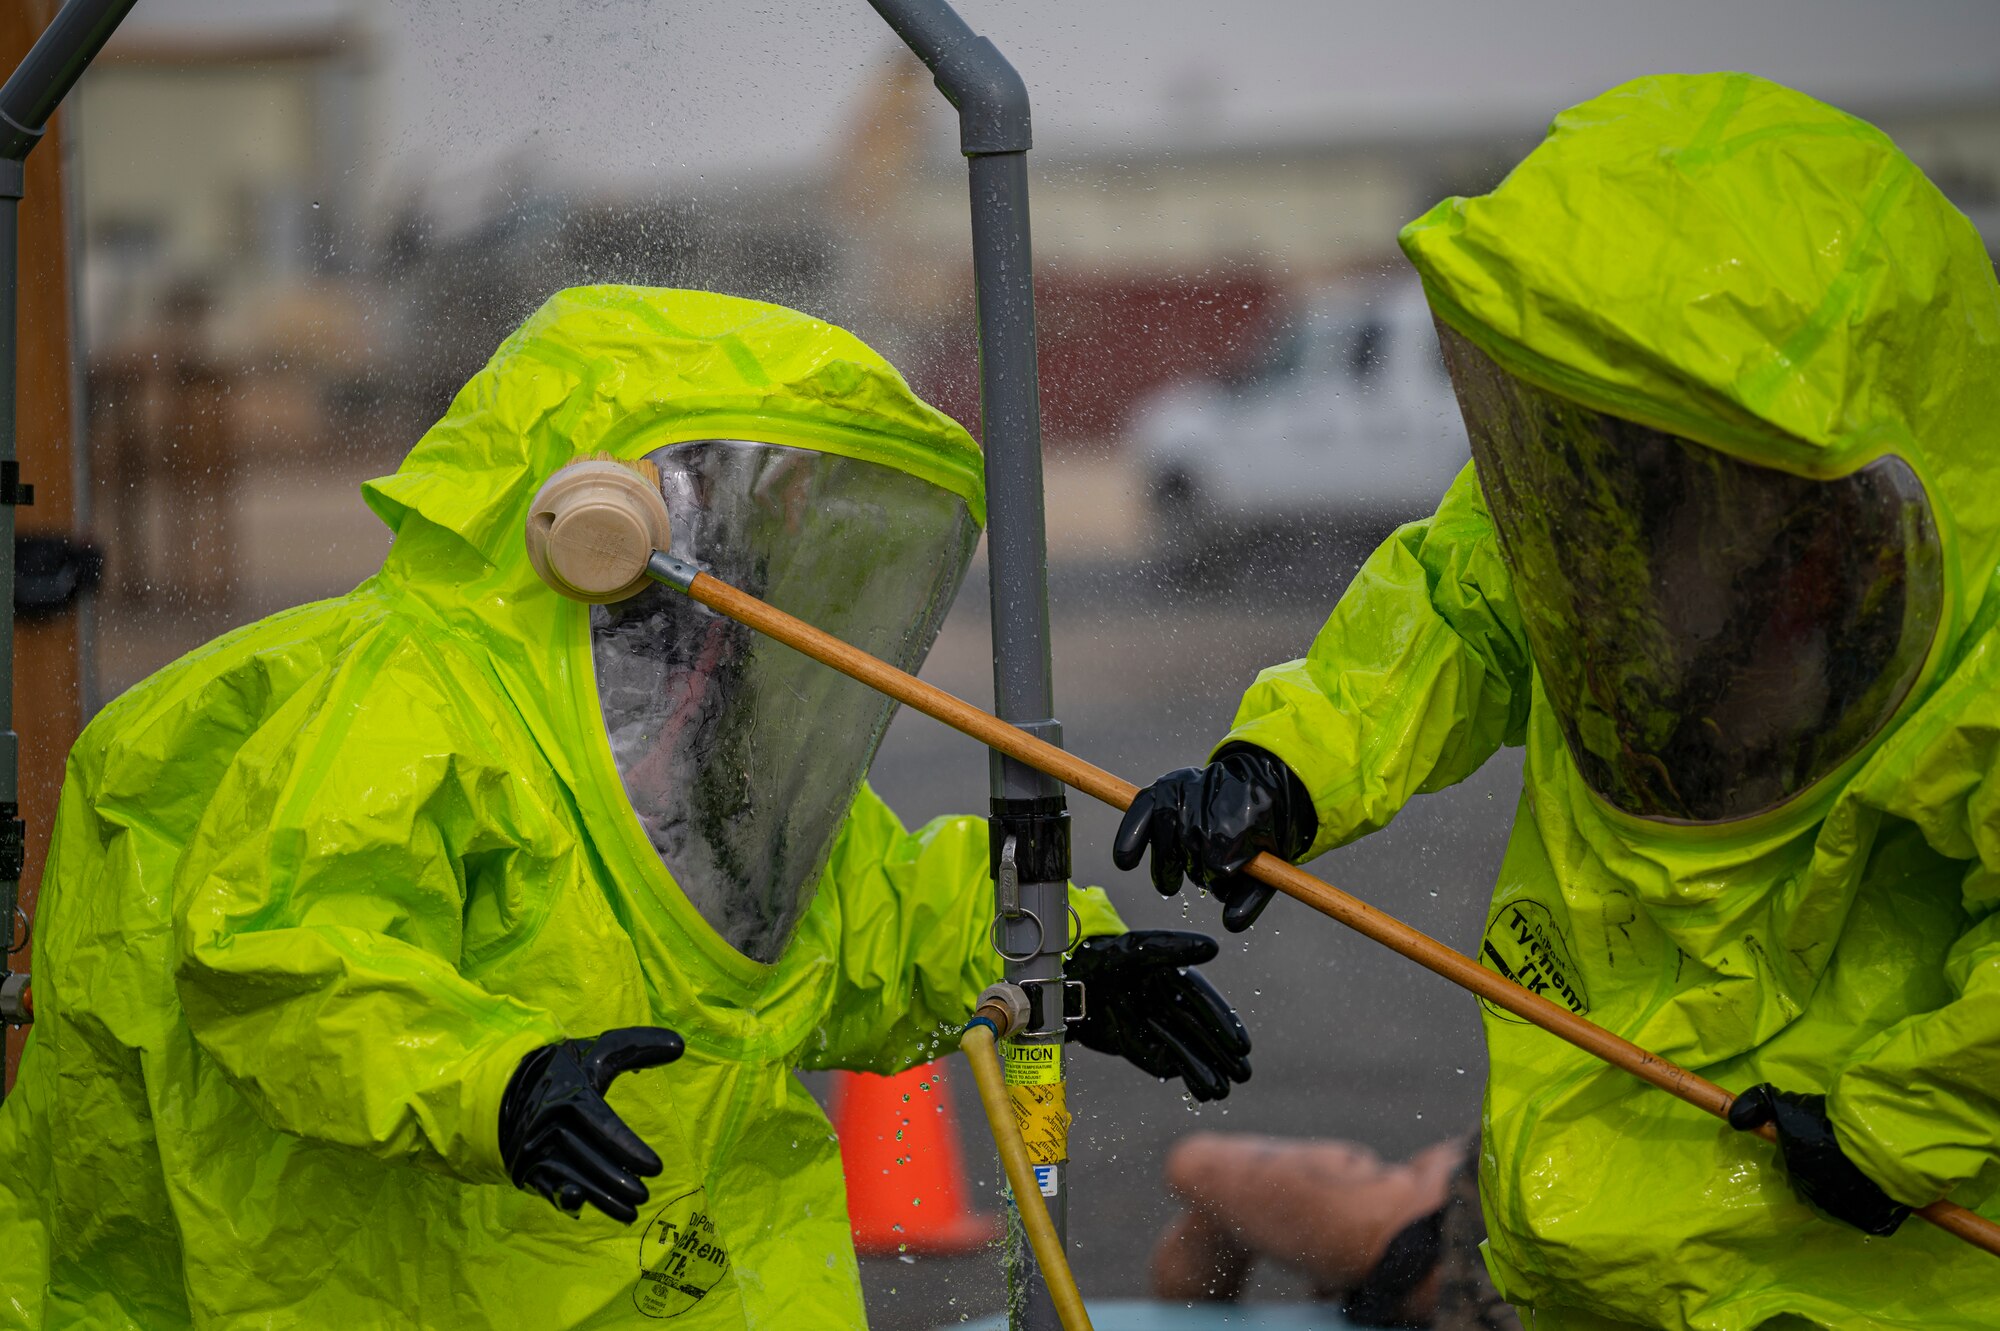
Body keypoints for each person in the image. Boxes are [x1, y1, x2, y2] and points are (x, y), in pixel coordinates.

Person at [0, 286, 1253, 1330]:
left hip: (679, 1276)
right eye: (735, 503)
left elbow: (844, 922)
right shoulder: (408, 697)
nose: (757, 555)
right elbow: (287, 947)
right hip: (402, 1283)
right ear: (605, 505)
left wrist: (1052, 951)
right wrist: (495, 1082)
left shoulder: (686, 721)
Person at [1118, 73, 2000, 1330]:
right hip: (1566, 1224)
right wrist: (1288, 761)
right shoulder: (1594, 514)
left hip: (1861, 1259)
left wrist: (1911, 1116)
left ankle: (1252, 1194)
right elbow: (1456, 602)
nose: (1645, 513)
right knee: (1407, 1246)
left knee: (1407, 1242)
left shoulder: (1965, 635)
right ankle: (1232, 1191)